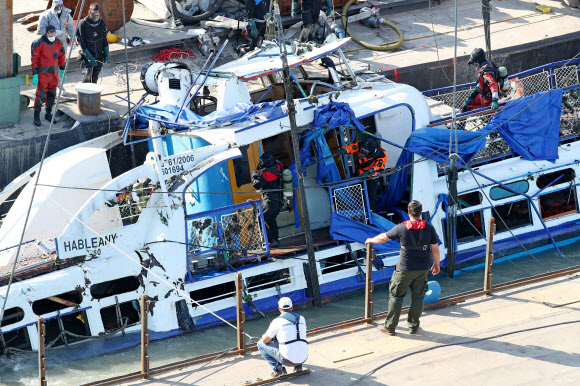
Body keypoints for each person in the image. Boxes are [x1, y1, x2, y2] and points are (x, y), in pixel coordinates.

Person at [365, 200, 440, 335]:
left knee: (396, 296)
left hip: (404, 269)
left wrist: (370, 240)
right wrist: (437, 264)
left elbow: (383, 238)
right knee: (418, 297)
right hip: (423, 269)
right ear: (420, 212)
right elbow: (435, 248)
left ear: (409, 212)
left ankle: (390, 327)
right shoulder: (429, 228)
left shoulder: (401, 228)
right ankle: (413, 326)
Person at [257, 297, 308, 377]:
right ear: (292, 307)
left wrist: (264, 336)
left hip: (287, 360)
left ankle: (278, 369)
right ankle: (298, 366)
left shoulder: (277, 321)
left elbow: (265, 341)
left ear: (279, 308)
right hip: (304, 357)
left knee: (260, 344)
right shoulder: (302, 318)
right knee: (297, 339)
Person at [31, 25, 66, 127]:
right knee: (41, 95)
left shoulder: (58, 43)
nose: (52, 36)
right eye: (51, 35)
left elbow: (61, 56)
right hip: (43, 74)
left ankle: (48, 113)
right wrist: (35, 74)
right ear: (46, 33)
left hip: (54, 74)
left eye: (54, 34)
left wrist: (63, 70)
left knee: (52, 95)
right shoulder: (38, 43)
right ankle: (36, 115)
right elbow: (34, 59)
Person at [340, 137, 387, 211]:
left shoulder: (381, 152)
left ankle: (372, 213)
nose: (363, 152)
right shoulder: (363, 143)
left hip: (372, 175)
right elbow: (353, 147)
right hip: (360, 173)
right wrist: (345, 150)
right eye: (363, 150)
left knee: (371, 195)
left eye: (366, 151)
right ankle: (359, 211)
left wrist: (369, 172)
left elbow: (379, 165)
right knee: (357, 193)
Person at [252, 152, 283, 248]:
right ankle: (275, 240)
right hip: (279, 201)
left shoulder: (267, 174)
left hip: (270, 202)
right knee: (271, 219)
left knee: (259, 218)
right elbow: (279, 163)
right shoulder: (279, 166)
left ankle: (271, 240)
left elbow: (257, 185)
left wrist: (254, 177)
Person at [76, 3, 109, 83]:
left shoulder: (101, 22)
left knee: (95, 78)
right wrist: (89, 56)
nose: (95, 16)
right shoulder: (83, 24)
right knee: (88, 74)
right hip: (87, 55)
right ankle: (83, 93)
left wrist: (106, 52)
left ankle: (93, 94)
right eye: (93, 13)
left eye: (97, 13)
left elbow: (104, 38)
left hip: (98, 54)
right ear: (89, 12)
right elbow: (81, 42)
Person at [462, 48, 499, 112]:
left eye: (475, 62)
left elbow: (493, 84)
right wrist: (476, 90)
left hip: (488, 98)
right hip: (480, 93)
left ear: (478, 60)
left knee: (487, 116)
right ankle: (461, 121)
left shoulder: (486, 72)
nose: (475, 65)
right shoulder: (484, 65)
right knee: (467, 105)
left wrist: (495, 100)